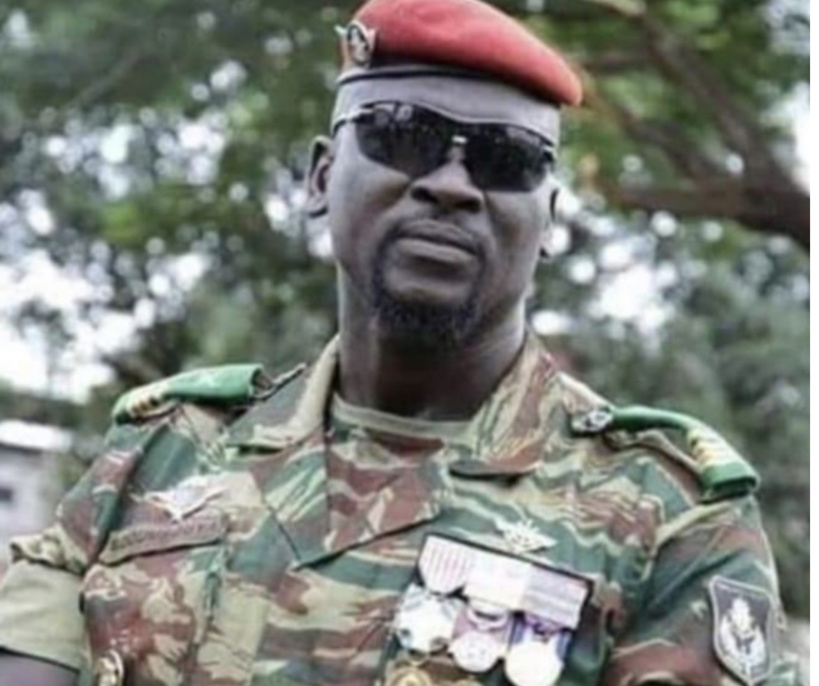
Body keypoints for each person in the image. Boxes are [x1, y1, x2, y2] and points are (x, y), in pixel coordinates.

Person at [0, 0, 801, 684]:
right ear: (320, 178)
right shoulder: (160, 450)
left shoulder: (668, 517)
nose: (449, 186)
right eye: (402, 136)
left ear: (550, 219)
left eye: (506, 160)